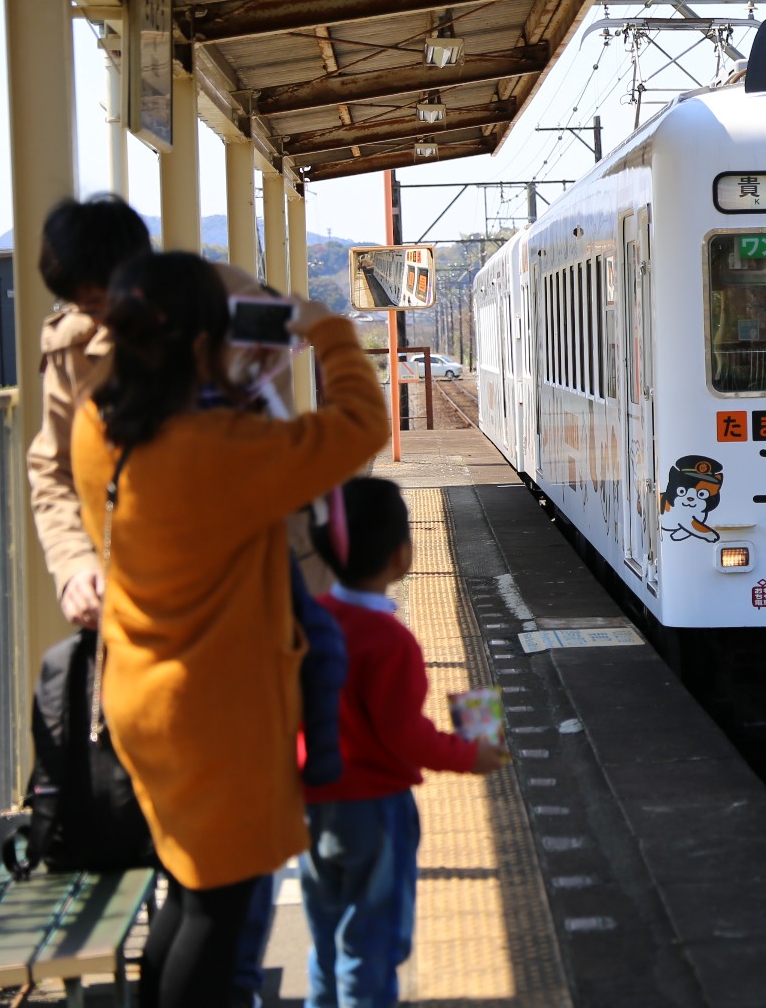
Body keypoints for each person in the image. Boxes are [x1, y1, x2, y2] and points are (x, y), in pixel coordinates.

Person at [73, 251, 388, 1007]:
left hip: (141, 692)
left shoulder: (100, 425)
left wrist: (227, 391)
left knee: (186, 886)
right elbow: (361, 425)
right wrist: (331, 332)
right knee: (219, 911)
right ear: (194, 347)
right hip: (214, 716)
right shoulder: (221, 452)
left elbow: (199, 453)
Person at [302, 477, 506, 1008]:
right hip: (373, 810)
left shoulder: (312, 619)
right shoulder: (391, 642)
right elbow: (404, 736)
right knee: (373, 943)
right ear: (402, 556)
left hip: (311, 803)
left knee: (327, 941)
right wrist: (470, 755)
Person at [28, 195, 151, 630]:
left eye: (100, 302)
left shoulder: (201, 331)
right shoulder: (71, 350)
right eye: (78, 304)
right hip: (114, 592)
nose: (93, 318)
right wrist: (74, 565)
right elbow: (52, 467)